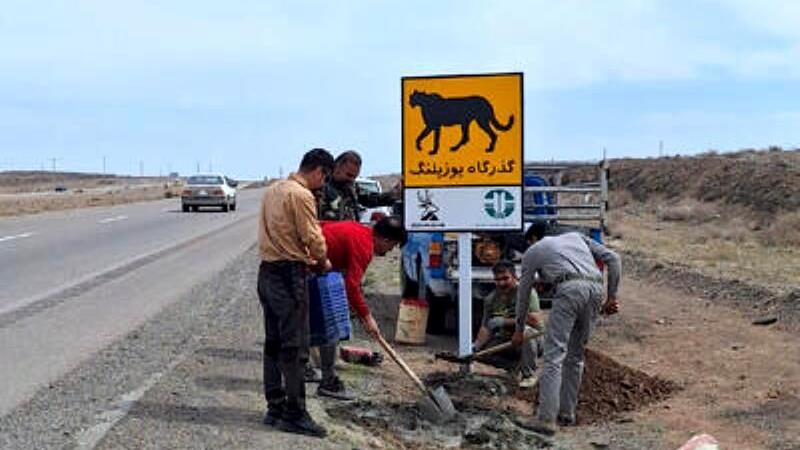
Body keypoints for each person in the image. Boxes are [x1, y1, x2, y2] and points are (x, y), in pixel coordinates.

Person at [513, 220, 621, 436]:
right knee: (576, 356)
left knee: (554, 356)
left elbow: (523, 295)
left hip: (570, 290)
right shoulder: (576, 237)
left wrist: (518, 329)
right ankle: (566, 414)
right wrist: (612, 296)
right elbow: (614, 258)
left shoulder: (533, 251)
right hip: (596, 288)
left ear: (532, 239)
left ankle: (545, 420)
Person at [257, 148, 334, 438]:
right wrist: (323, 261)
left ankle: (274, 406)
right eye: (323, 179)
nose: (322, 185)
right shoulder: (301, 196)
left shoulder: (273, 189)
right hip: (289, 276)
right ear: (319, 171)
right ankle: (294, 413)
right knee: (295, 347)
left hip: (266, 272)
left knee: (273, 343)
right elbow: (313, 238)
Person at [314, 216, 407, 400]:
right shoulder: (364, 245)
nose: (390, 252)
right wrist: (367, 317)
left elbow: (323, 226)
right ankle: (328, 383)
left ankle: (309, 371)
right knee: (331, 326)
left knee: (313, 325)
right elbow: (352, 286)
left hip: (308, 267)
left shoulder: (360, 231)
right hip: (305, 269)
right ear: (385, 239)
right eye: (392, 246)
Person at [472, 261, 544, 388]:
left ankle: (529, 375)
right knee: (483, 352)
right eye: (497, 279)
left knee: (526, 332)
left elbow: (534, 320)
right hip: (508, 341)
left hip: (532, 340)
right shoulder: (491, 299)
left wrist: (505, 322)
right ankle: (513, 367)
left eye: (505, 278)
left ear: (514, 277)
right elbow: (485, 327)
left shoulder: (526, 293)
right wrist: (476, 347)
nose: (501, 283)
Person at [317, 150, 400, 221]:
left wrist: (394, 194)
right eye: (349, 175)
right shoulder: (319, 186)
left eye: (354, 177)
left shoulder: (351, 187)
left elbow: (370, 199)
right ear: (336, 167)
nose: (351, 180)